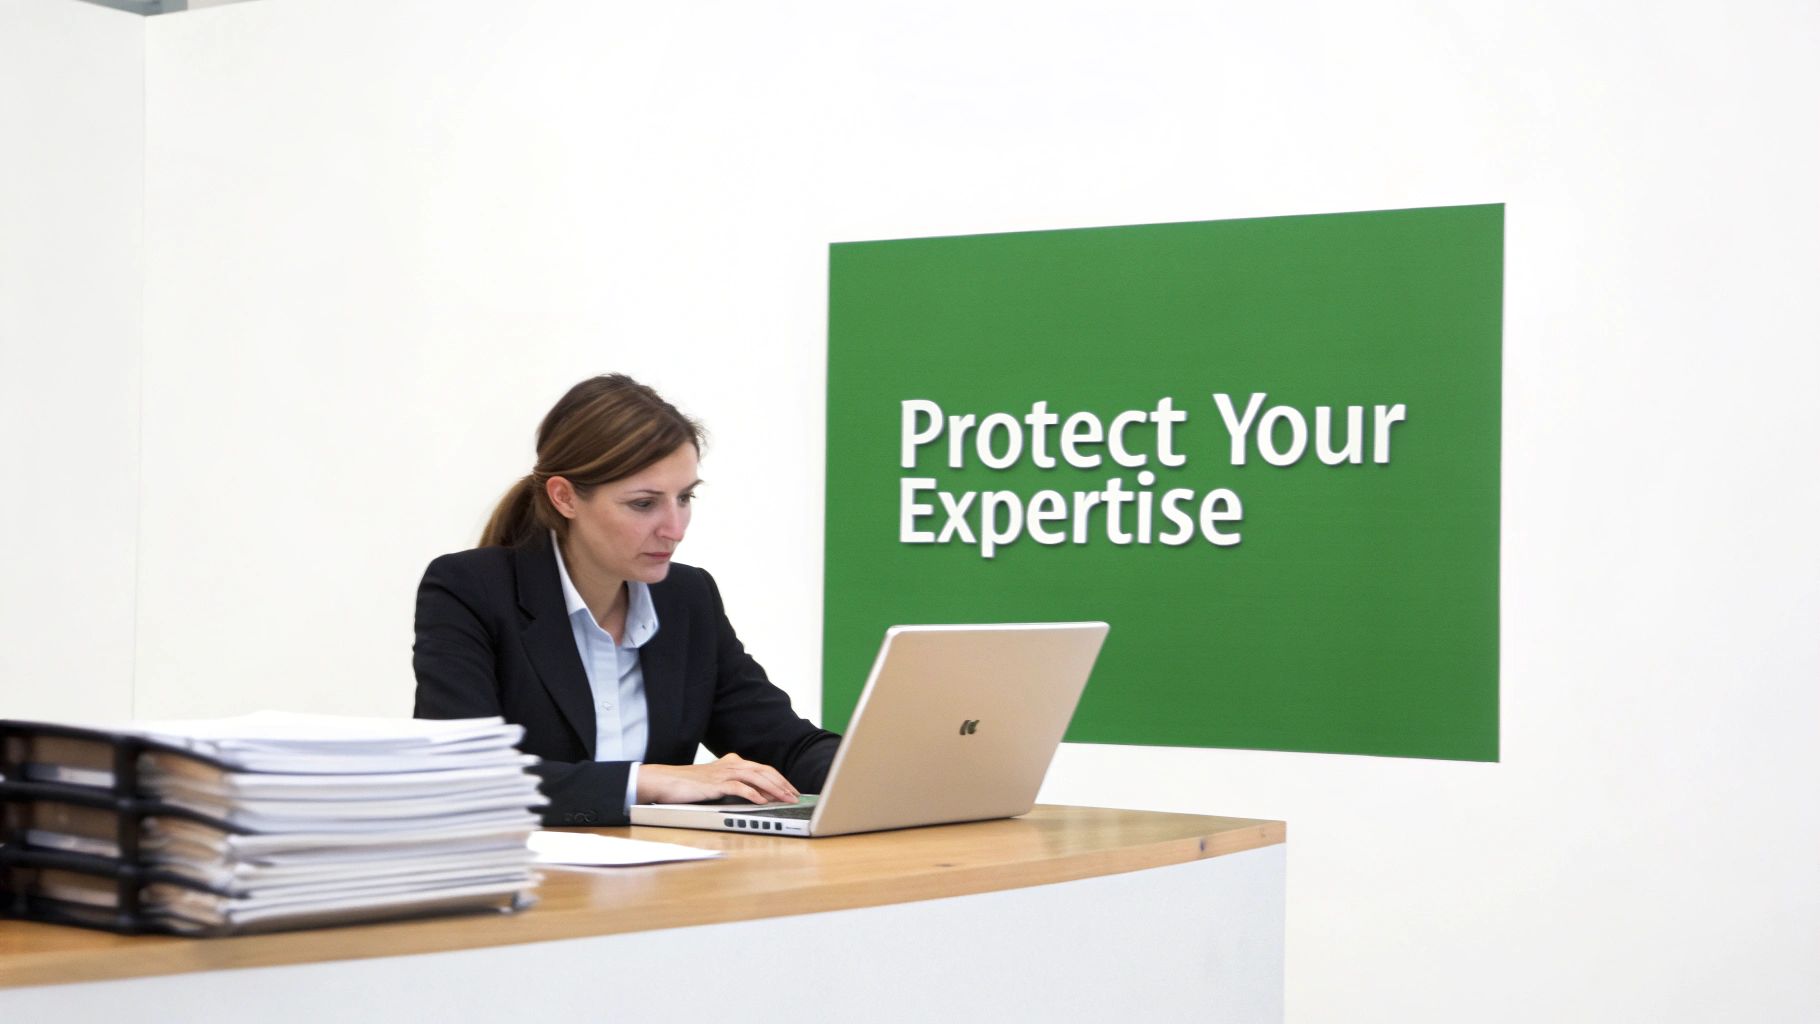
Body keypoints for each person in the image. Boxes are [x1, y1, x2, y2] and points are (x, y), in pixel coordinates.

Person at [413, 374, 840, 826]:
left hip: (661, 876)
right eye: (643, 504)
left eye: (685, 497)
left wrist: (879, 773)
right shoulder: (470, 589)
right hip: (530, 880)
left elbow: (785, 744)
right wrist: (648, 781)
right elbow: (461, 776)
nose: (675, 529)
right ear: (565, 497)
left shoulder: (688, 598)